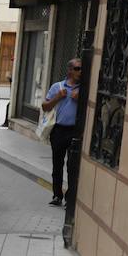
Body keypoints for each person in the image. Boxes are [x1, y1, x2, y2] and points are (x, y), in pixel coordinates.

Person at [43, 58, 82, 207]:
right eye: (78, 69)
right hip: (58, 130)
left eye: (81, 69)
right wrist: (57, 97)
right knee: (57, 165)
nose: (80, 72)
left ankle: (70, 197)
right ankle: (57, 195)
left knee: (72, 166)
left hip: (75, 131)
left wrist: (80, 100)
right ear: (70, 70)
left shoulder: (83, 89)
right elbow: (45, 106)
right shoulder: (57, 87)